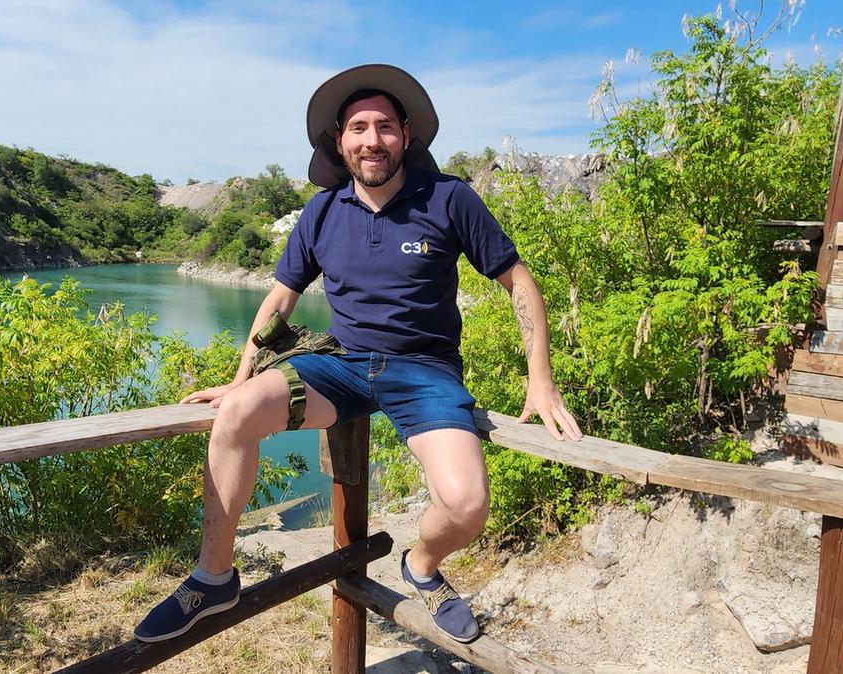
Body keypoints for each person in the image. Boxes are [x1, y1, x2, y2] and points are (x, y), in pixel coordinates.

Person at [134, 63, 582, 644]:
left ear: (406, 135)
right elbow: (278, 302)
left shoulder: (449, 199)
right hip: (340, 368)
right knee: (238, 414)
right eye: (359, 128)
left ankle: (421, 565)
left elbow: (519, 282)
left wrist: (540, 382)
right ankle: (213, 579)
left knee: (467, 504)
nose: (373, 140)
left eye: (386, 127)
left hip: (425, 373)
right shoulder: (322, 212)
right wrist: (239, 380)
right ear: (340, 141)